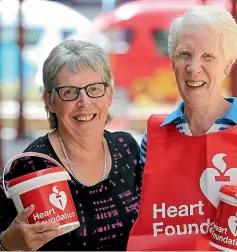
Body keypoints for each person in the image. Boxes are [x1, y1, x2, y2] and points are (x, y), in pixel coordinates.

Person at [127, 4, 237, 251]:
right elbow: (144, 220)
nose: (194, 68)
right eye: (184, 55)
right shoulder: (155, 137)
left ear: (228, 64)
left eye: (208, 57)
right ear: (172, 61)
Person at [0, 40, 141, 251]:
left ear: (109, 94)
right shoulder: (32, 164)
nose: (84, 102)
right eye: (69, 92)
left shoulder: (126, 147)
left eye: (94, 89)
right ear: (49, 101)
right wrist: (7, 244)